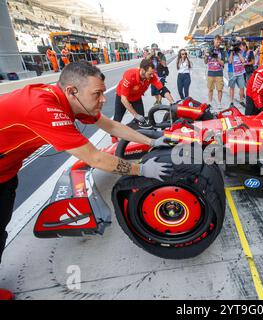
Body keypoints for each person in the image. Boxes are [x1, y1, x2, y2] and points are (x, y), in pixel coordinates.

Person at [0, 62, 175, 300]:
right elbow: (95, 157)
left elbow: (111, 125)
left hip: (7, 172)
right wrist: (141, 169)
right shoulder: (43, 108)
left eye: (103, 92)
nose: (103, 99)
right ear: (72, 90)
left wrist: (151, 141)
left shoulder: (69, 100)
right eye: (97, 93)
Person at [114, 59, 175, 126]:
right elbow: (123, 99)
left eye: (153, 73)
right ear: (142, 70)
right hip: (122, 96)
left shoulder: (152, 76)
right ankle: (114, 136)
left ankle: (130, 128)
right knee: (118, 118)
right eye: (150, 74)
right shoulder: (130, 75)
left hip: (136, 97)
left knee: (141, 118)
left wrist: (173, 102)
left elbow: (162, 89)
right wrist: (136, 115)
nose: (152, 76)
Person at [204, 35, 225, 108]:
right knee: (210, 89)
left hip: (219, 73)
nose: (218, 43)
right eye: (217, 41)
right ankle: (209, 103)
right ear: (214, 41)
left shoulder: (222, 51)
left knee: (220, 89)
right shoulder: (209, 50)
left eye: (219, 42)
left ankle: (219, 103)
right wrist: (206, 56)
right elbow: (205, 62)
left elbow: (222, 63)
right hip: (210, 73)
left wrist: (217, 58)